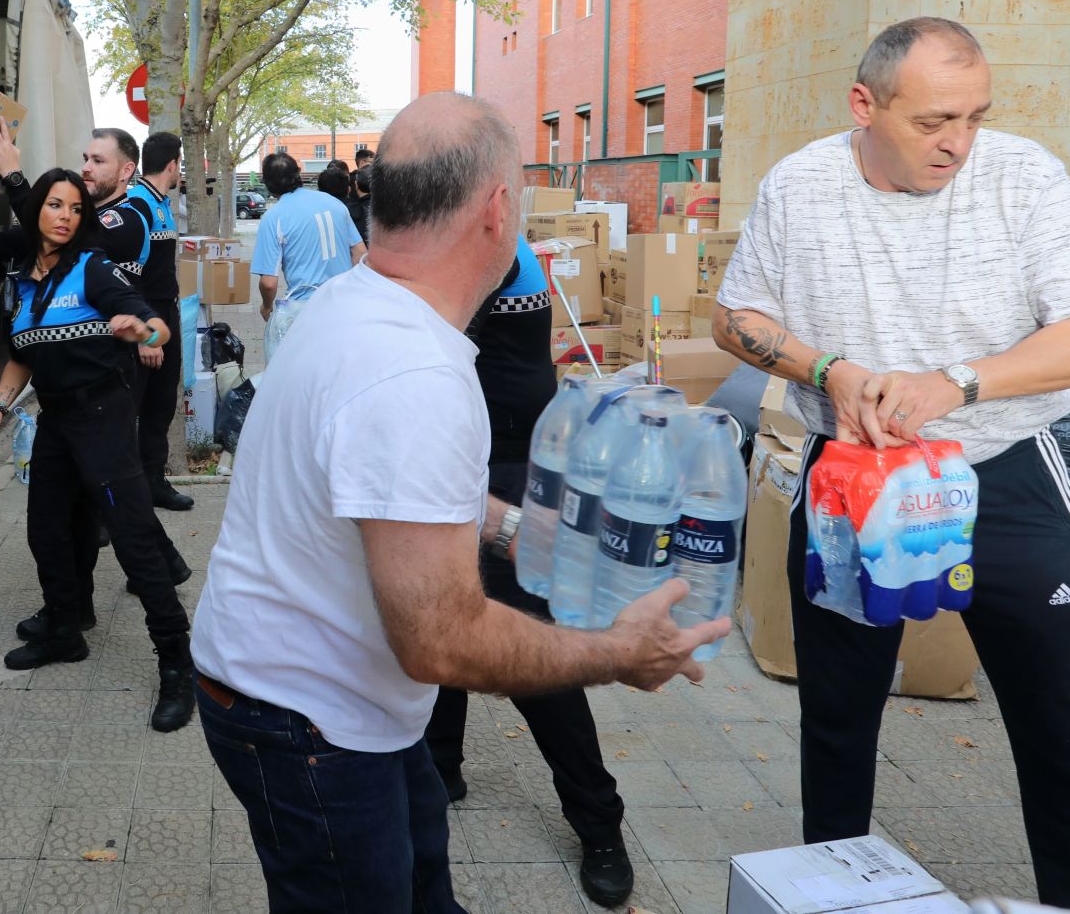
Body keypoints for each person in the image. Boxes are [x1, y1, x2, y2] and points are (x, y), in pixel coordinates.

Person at [193, 93, 725, 913]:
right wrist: (618, 652)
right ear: (499, 209)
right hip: (305, 723)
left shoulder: (352, 299)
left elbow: (374, 482)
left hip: (329, 703)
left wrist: (515, 527)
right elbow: (441, 641)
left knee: (424, 880)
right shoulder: (415, 374)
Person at [712, 17, 1070, 914]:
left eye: (976, 116)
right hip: (849, 484)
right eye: (936, 120)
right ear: (865, 106)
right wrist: (830, 370)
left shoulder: (1023, 177)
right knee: (837, 721)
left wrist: (960, 383)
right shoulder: (801, 185)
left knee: (1062, 726)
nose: (959, 142)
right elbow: (736, 316)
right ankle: (832, 896)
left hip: (1004, 474)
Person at [422, 233, 632, 906]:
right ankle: (440, 767)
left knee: (527, 655)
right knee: (437, 614)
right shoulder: (451, 239)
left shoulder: (486, 245)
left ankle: (600, 823)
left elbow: (428, 336)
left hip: (507, 467)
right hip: (460, 449)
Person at [0, 169, 195, 731]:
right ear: (36, 209)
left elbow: (157, 324)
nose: (65, 215)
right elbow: (24, 353)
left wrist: (143, 333)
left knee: (134, 539)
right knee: (47, 529)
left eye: (74, 208)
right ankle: (66, 630)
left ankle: (177, 666)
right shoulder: (23, 278)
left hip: (104, 419)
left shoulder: (92, 269)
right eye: (55, 205)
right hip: (56, 422)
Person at [125, 133, 192, 511]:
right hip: (146, 318)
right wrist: (146, 336)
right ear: (172, 164)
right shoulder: (138, 204)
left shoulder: (162, 203)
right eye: (180, 164)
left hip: (167, 312)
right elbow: (128, 277)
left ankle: (154, 481)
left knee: (161, 403)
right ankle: (111, 499)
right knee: (130, 408)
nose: (180, 170)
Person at [251, 150, 364, 362]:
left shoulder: (274, 217)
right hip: (342, 303)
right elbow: (360, 254)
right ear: (299, 173)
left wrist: (267, 307)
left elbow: (268, 283)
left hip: (304, 312)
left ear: (267, 183)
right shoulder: (335, 204)